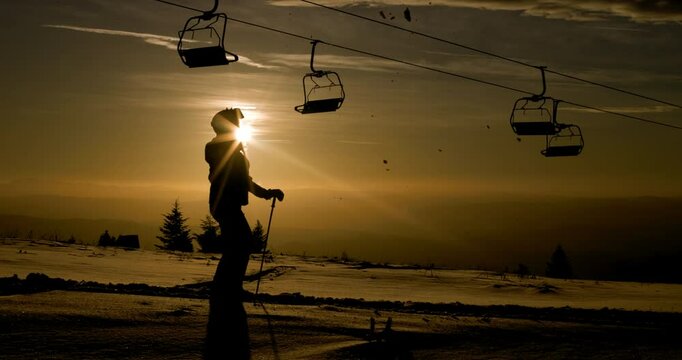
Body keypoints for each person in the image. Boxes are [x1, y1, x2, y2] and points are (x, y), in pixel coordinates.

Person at [204, 108, 284, 360]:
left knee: (238, 246)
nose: (239, 127)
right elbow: (242, 180)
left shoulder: (228, 149)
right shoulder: (221, 149)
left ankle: (226, 289)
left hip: (224, 204)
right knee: (240, 245)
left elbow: (245, 181)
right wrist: (265, 192)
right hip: (225, 204)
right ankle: (226, 290)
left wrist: (266, 192)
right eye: (236, 123)